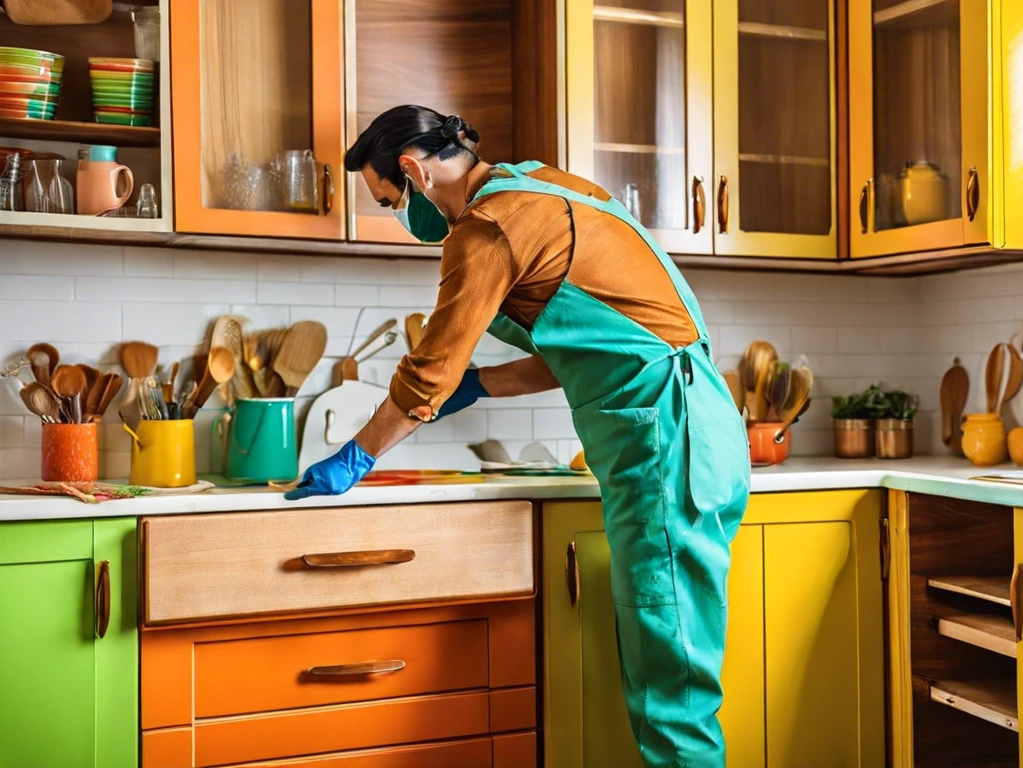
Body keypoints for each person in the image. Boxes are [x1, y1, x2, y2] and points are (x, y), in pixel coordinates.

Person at [286, 105, 751, 768]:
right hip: (693, 429)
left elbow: (426, 374)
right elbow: (586, 349)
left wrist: (357, 455)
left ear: (413, 170)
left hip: (665, 445)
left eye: (389, 200)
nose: (398, 214)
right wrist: (480, 386)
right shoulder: (539, 185)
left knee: (672, 693)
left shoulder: (487, 228)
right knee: (671, 668)